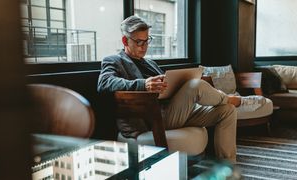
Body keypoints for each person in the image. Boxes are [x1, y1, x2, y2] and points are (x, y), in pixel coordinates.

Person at [97, 15, 263, 163]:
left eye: (147, 40)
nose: (144, 46)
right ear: (125, 41)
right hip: (153, 118)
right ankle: (234, 99)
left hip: (174, 111)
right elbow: (104, 83)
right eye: (138, 42)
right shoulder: (114, 60)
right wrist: (143, 84)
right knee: (195, 85)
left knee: (227, 111)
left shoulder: (150, 63)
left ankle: (228, 165)